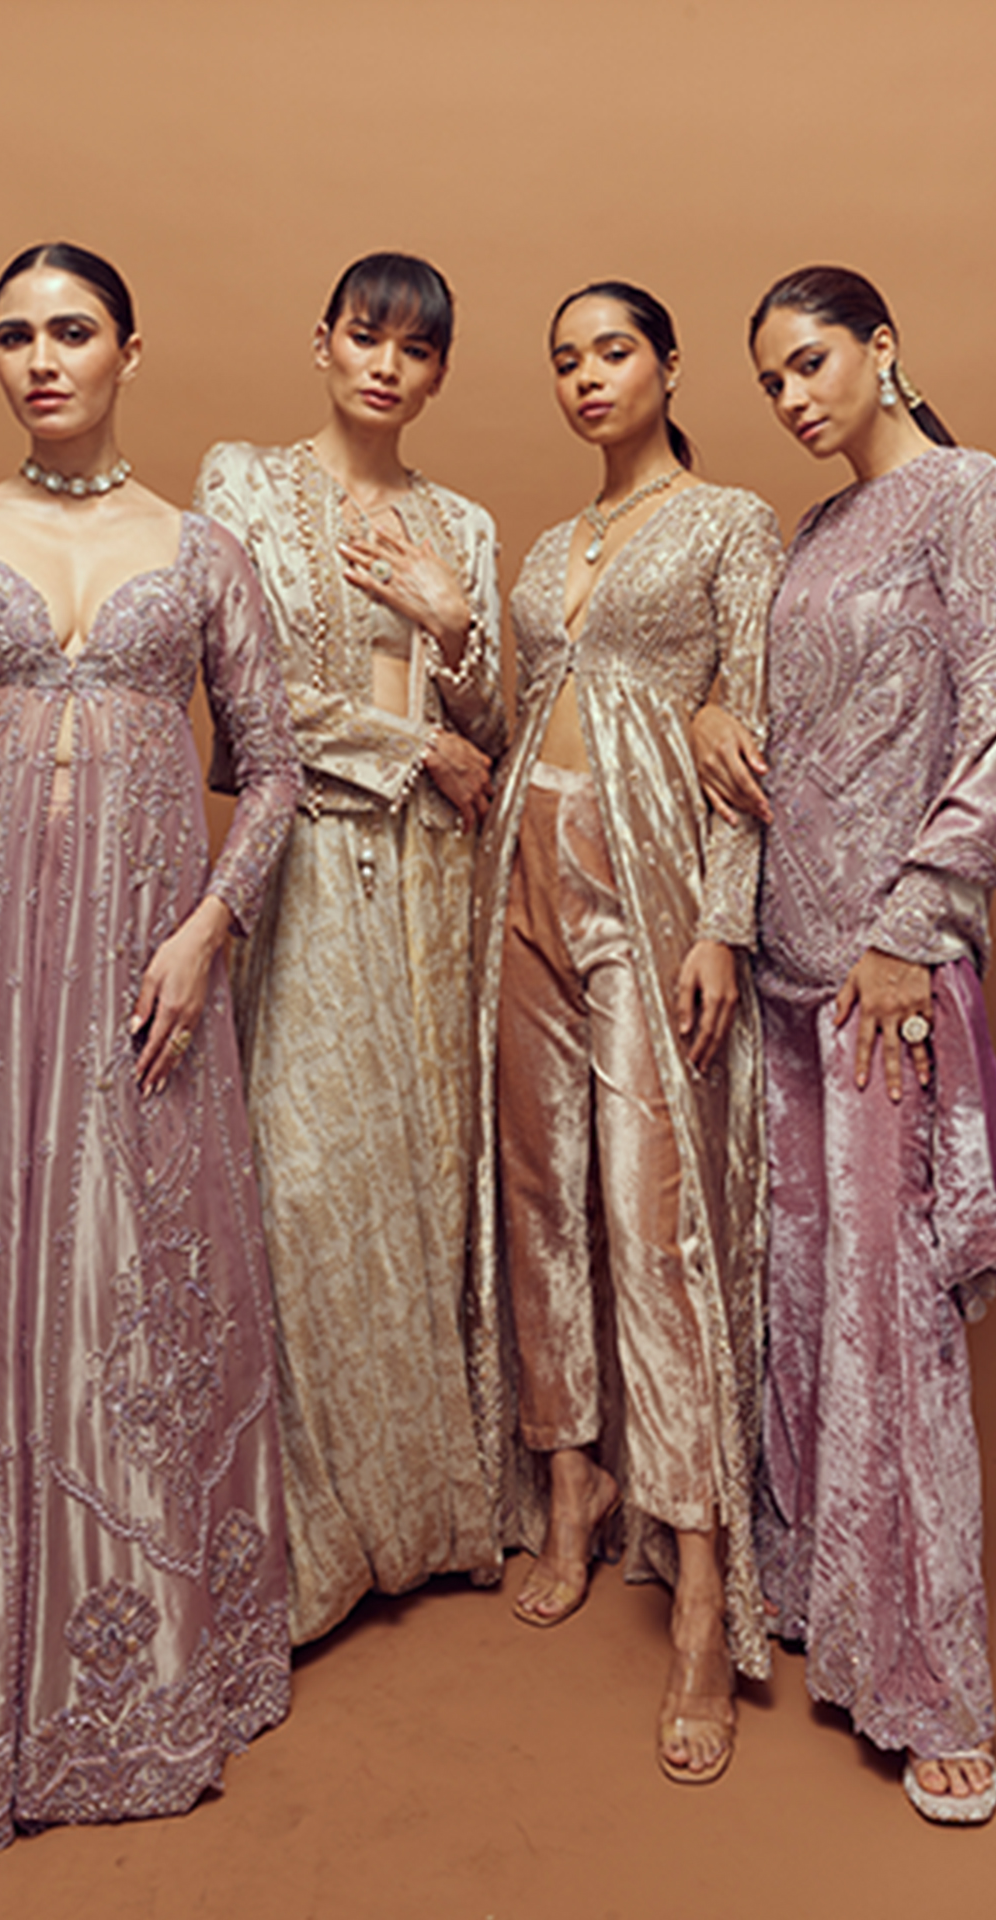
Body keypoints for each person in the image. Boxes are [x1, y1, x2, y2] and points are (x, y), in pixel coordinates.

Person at [0, 243, 302, 1865]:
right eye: (14, 333)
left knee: (128, 1272)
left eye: (71, 330)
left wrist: (209, 929)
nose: (40, 358)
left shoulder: (203, 553)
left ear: (129, 350)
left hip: (144, 974)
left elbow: (272, 767)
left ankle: (123, 1669)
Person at [693, 264, 996, 1824]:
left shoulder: (968, 498)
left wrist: (914, 922)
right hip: (785, 972)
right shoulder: (813, 532)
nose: (794, 397)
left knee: (892, 1324)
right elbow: (771, 723)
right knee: (803, 1304)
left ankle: (935, 1683)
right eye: (770, 381)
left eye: (812, 362)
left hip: (887, 973)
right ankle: (823, 1606)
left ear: (883, 348)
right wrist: (709, 719)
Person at [468, 281, 781, 1781]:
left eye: (613, 352)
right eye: (565, 361)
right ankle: (571, 1479)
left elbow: (752, 730)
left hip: (648, 886)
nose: (587, 378)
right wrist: (441, 632)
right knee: (542, 1194)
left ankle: (702, 1581)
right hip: (518, 879)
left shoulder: (729, 523)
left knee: (657, 1225)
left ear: (667, 365)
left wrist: (724, 919)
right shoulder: (547, 549)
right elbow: (518, 710)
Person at [195, 252, 506, 1644]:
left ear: (438, 374)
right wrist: (411, 743)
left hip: (434, 883)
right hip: (311, 857)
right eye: (367, 336)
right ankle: (312, 1536)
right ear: (321, 341)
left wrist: (455, 624)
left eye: (416, 349)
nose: (387, 365)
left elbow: (492, 735)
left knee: (422, 1182)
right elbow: (248, 698)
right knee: (307, 1183)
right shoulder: (246, 487)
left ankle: (429, 1517)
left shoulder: (464, 523)